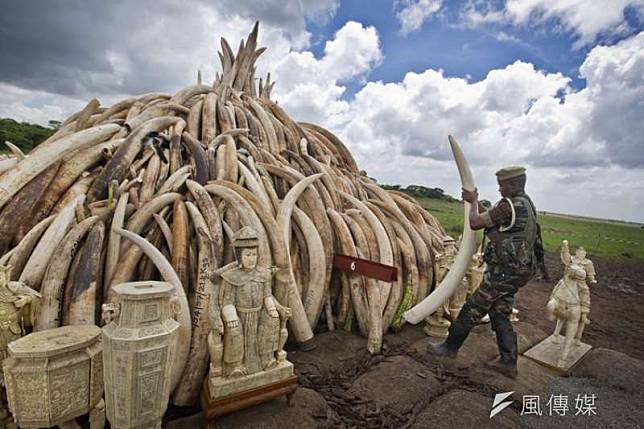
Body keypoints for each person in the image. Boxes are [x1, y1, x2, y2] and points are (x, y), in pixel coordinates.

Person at [428, 166, 544, 378]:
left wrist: (472, 201)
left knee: (473, 306)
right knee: (500, 312)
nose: (499, 189)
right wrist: (475, 201)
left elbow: (475, 222)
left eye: (503, 185)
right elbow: (488, 217)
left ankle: (449, 348)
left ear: (516, 184)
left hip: (503, 272)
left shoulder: (508, 205)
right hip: (518, 271)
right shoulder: (525, 204)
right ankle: (508, 363)